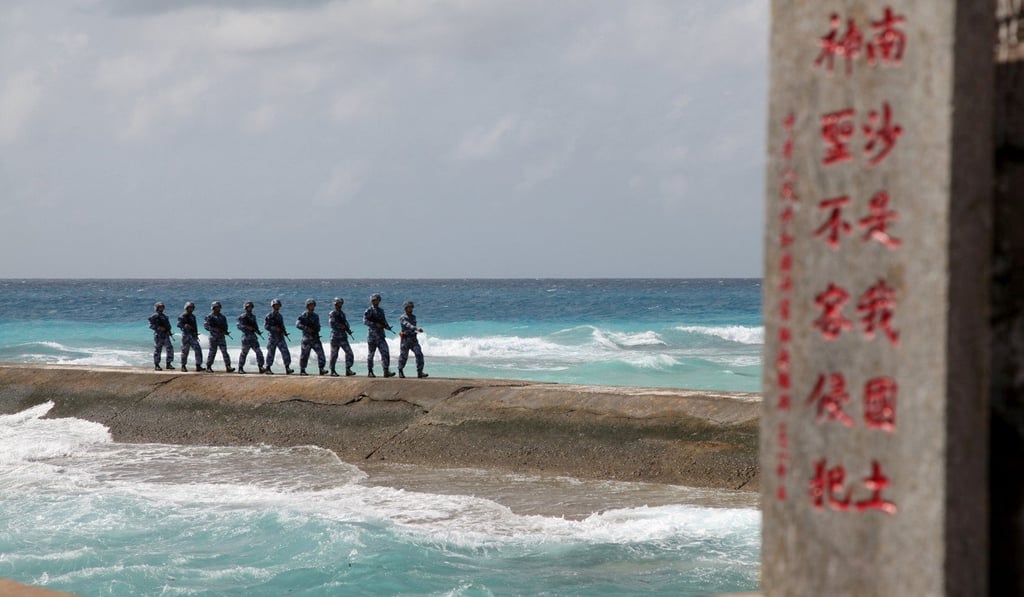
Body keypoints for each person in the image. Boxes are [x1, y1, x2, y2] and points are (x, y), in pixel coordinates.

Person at [363, 293, 395, 377]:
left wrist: (387, 326)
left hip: (381, 336)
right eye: (373, 300)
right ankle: (370, 371)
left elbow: (383, 321)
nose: (374, 302)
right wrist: (375, 325)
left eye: (376, 300)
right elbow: (365, 321)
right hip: (372, 336)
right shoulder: (369, 310)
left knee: (385, 353)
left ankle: (386, 370)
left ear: (379, 300)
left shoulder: (381, 310)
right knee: (371, 354)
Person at [296, 298, 328, 375]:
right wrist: (307, 328)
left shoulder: (316, 316)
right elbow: (298, 324)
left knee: (321, 354)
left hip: (315, 338)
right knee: (304, 355)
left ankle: (321, 368)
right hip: (306, 339)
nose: (312, 307)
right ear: (307, 306)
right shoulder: (304, 315)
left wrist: (317, 329)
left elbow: (318, 326)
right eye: (310, 305)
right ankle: (302, 370)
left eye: (313, 305)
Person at [398, 300, 428, 379]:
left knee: (419, 354)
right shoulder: (402, 317)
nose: (411, 309)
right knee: (404, 356)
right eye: (409, 307)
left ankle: (420, 372)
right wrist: (416, 328)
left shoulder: (413, 317)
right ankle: (400, 370)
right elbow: (408, 325)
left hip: (413, 339)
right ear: (405, 308)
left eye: (411, 307)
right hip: (405, 339)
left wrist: (416, 329)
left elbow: (412, 326)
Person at [263, 298, 294, 375]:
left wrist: (284, 332)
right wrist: (275, 329)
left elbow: (282, 326)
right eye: (276, 305)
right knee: (271, 353)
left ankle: (287, 367)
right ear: (273, 306)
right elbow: (266, 326)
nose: (277, 307)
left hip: (280, 337)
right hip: (272, 337)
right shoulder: (269, 316)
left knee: (285, 351)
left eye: (278, 305)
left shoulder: (280, 316)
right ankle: (268, 368)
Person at [204, 301, 235, 372]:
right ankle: (208, 366)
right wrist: (215, 329)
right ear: (213, 308)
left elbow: (225, 326)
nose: (218, 309)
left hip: (221, 337)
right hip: (213, 337)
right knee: (212, 352)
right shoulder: (209, 317)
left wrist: (225, 331)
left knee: (224, 352)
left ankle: (228, 366)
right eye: (216, 307)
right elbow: (206, 326)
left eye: (219, 307)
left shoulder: (222, 317)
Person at [329, 297, 356, 377]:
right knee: (334, 355)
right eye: (338, 303)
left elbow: (345, 324)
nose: (340, 305)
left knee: (349, 353)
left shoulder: (342, 314)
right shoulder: (333, 313)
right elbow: (332, 323)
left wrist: (347, 330)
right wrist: (341, 326)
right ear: (335, 304)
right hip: (335, 337)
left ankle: (348, 369)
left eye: (341, 303)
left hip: (343, 337)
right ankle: (332, 370)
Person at [236, 301, 265, 374]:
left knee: (259, 352)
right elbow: (238, 326)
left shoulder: (253, 316)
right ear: (245, 308)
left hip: (253, 338)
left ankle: (261, 367)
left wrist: (257, 331)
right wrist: (247, 327)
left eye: (251, 307)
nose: (250, 308)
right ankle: (240, 368)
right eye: (248, 307)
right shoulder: (242, 316)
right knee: (244, 353)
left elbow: (255, 326)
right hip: (246, 338)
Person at [177, 301, 205, 371]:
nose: (191, 309)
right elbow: (179, 324)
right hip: (186, 336)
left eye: (192, 308)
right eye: (189, 308)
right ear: (186, 308)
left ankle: (198, 365)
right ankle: (183, 366)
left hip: (193, 336)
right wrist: (185, 326)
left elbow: (195, 326)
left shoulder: (193, 316)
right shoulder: (182, 316)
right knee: (185, 351)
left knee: (198, 350)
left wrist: (195, 333)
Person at [148, 302, 174, 371]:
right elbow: (150, 325)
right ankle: (157, 365)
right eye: (160, 307)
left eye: (162, 307)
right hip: (158, 335)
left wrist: (169, 332)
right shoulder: (154, 316)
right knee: (158, 350)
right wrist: (159, 328)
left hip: (166, 335)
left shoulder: (165, 316)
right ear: (157, 308)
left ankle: (169, 363)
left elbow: (168, 326)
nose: (161, 308)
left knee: (170, 349)